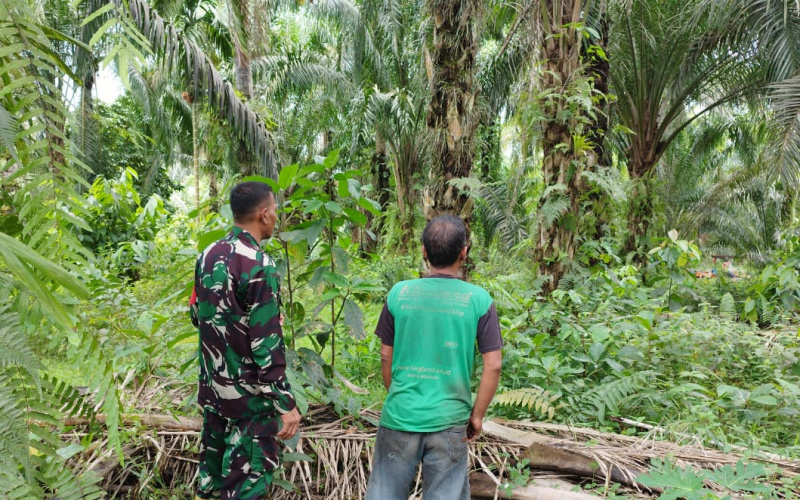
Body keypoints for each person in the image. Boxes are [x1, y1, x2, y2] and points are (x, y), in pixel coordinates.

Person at [365, 215, 503, 500]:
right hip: (450, 422)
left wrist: (400, 395)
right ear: (464, 252)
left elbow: (385, 355)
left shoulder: (398, 293)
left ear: (424, 252)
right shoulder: (479, 300)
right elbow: (494, 365)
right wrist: (476, 416)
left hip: (400, 415)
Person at [191, 181, 301, 500]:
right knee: (247, 486)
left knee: (211, 484)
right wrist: (284, 403)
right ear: (264, 215)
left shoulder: (207, 255)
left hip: (214, 392)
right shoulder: (260, 266)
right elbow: (265, 345)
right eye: (276, 211)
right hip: (248, 402)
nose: (277, 217)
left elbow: (198, 313)